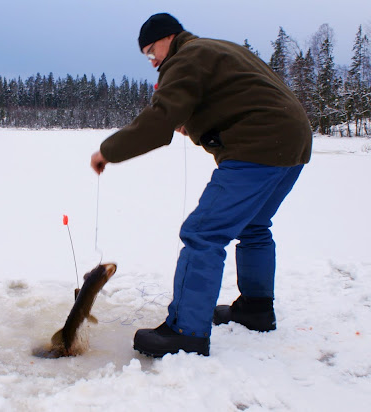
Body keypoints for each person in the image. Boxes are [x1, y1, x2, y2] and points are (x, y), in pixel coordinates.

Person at [90, 13, 312, 357]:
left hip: (257, 145)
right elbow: (236, 99)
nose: (153, 62)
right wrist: (193, 123)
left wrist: (108, 151)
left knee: (203, 234)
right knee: (253, 226)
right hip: (292, 143)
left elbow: (160, 120)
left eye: (151, 52)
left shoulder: (186, 57)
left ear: (168, 38)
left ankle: (185, 331)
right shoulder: (216, 49)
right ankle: (255, 309)